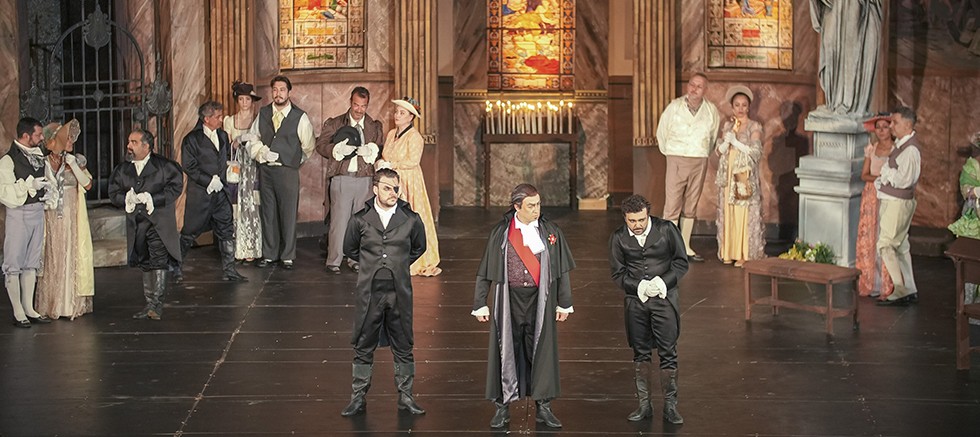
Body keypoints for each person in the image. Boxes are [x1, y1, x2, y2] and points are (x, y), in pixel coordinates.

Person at [471, 183, 575, 429]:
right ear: (517, 207)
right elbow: (486, 269)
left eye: (538, 204)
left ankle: (544, 407)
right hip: (509, 300)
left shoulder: (550, 231)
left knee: (541, 353)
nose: (537, 210)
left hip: (541, 300)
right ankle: (502, 408)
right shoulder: (501, 233)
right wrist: (480, 303)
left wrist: (564, 303)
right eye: (531, 206)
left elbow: (562, 270)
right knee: (505, 351)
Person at [339, 168, 427, 417]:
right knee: (363, 342)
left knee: (403, 343)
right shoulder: (360, 219)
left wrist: (399, 264)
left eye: (395, 188)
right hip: (370, 292)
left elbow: (419, 247)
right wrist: (371, 265)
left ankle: (406, 396)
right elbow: (350, 248)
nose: (393, 193)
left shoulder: (410, 219)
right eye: (387, 188)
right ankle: (358, 397)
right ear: (375, 188)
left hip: (399, 292)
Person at [609, 194, 689, 424]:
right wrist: (639, 286)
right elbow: (617, 273)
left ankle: (670, 407)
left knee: (668, 352)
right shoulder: (618, 237)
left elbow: (681, 262)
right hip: (636, 302)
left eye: (641, 220)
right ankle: (644, 406)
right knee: (640, 353)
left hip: (664, 300)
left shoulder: (666, 230)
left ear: (648, 215)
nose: (637, 225)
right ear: (625, 218)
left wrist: (663, 282)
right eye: (632, 221)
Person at [241, 75, 316, 269]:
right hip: (266, 170)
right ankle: (269, 254)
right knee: (268, 213)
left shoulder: (300, 116)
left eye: (282, 90)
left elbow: (308, 146)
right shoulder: (264, 113)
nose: (278, 93)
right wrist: (262, 153)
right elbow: (253, 138)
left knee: (288, 213)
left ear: (289, 92)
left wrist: (292, 161)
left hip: (287, 171)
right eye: (275, 90)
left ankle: (287, 255)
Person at [108, 129, 184, 320]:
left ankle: (156, 304)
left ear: (146, 146)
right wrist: (127, 198)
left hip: (158, 223)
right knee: (145, 261)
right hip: (137, 224)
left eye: (133, 142)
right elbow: (113, 192)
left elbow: (175, 186)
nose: (128, 146)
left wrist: (153, 198)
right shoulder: (123, 169)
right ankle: (150, 303)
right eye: (129, 141)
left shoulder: (164, 166)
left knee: (159, 259)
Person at [175, 101, 247, 282]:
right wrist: (208, 180)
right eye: (218, 117)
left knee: (226, 229)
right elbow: (189, 166)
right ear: (206, 119)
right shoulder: (192, 139)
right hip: (201, 195)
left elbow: (226, 157)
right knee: (190, 232)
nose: (221, 120)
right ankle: (174, 267)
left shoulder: (222, 135)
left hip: (221, 193)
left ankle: (229, 270)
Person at [316, 86, 384, 274]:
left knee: (361, 223)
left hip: (365, 179)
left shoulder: (373, 126)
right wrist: (335, 149)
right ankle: (334, 261)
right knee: (339, 222)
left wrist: (372, 152)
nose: (359, 109)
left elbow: (380, 148)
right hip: (342, 178)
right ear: (350, 103)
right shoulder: (336, 123)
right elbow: (320, 145)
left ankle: (355, 259)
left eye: (363, 106)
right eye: (356, 105)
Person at [656, 73, 720, 262]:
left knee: (691, 204)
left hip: (699, 158)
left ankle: (684, 246)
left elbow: (713, 137)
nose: (694, 89)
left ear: (705, 90)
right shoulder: (674, 107)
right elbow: (662, 132)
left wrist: (703, 153)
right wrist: (671, 153)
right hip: (676, 157)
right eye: (692, 84)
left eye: (699, 86)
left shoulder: (711, 110)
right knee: (672, 204)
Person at [35, 119, 95, 320]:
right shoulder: (42, 163)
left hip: (72, 215)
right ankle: (52, 303)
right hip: (50, 216)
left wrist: (74, 166)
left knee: (71, 252)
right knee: (53, 254)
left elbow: (88, 185)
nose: (71, 141)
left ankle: (69, 304)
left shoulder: (76, 160)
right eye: (67, 138)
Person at [376, 97, 441, 276]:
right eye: (396, 112)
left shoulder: (415, 137)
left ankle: (414, 258)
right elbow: (386, 155)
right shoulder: (391, 134)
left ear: (411, 117)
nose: (397, 115)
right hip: (391, 181)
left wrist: (392, 164)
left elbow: (412, 161)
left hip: (409, 181)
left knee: (410, 218)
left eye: (402, 113)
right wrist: (381, 163)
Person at [0, 117, 53, 328]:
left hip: (37, 212)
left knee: (31, 262)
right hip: (18, 214)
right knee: (14, 263)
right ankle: (18, 311)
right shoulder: (8, 160)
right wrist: (29, 186)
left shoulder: (38, 154)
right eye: (38, 135)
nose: (41, 138)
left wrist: (46, 191)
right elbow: (5, 193)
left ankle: (29, 308)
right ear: (25, 135)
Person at [714, 85, 765, 267]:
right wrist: (726, 142)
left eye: (744, 105)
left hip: (743, 173)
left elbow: (756, 152)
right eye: (737, 105)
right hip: (728, 173)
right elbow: (719, 151)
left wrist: (736, 142)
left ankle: (743, 252)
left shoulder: (754, 126)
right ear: (732, 107)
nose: (740, 108)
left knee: (742, 211)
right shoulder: (728, 126)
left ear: (749, 107)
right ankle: (729, 251)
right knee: (729, 210)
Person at [875, 107, 921, 307]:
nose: (891, 126)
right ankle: (909, 288)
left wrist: (887, 174)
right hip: (893, 200)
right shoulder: (902, 146)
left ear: (907, 125)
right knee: (901, 246)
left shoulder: (910, 150)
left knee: (886, 244)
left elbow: (904, 180)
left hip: (897, 202)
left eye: (895, 122)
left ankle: (900, 288)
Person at [808, 0, 883, 114]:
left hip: (857, 9)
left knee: (852, 54)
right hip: (833, 11)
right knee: (831, 49)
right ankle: (834, 102)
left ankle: (848, 102)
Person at [222, 81, 263, 263]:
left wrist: (249, 139)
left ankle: (254, 248)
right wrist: (236, 142)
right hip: (237, 167)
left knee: (254, 205)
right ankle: (238, 248)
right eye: (241, 99)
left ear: (252, 101)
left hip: (254, 167)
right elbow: (227, 145)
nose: (244, 103)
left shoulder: (258, 120)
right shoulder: (229, 121)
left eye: (247, 99)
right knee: (236, 206)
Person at [855, 113, 895, 299]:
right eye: (878, 127)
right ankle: (870, 281)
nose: (881, 131)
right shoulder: (871, 148)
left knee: (884, 235)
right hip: (872, 194)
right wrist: (879, 178)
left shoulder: (896, 150)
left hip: (888, 194)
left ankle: (886, 282)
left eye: (885, 127)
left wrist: (886, 180)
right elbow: (864, 174)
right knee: (870, 235)